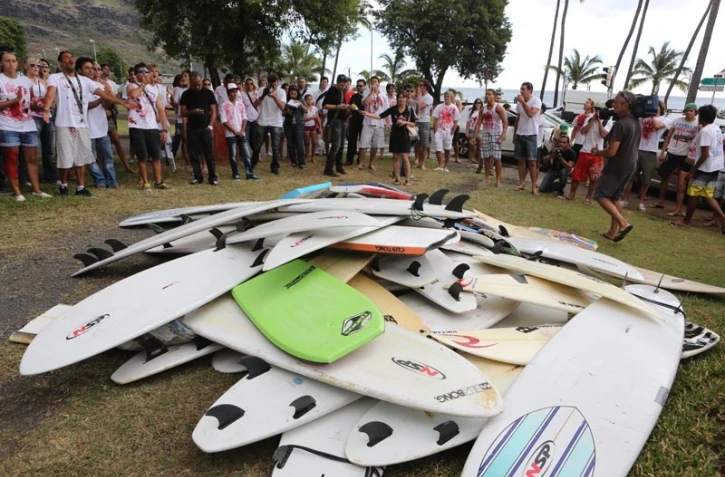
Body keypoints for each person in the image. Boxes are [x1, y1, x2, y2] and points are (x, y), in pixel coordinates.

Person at [43, 51, 132, 197]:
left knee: (81, 157)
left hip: (82, 124)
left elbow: (104, 95)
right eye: (66, 58)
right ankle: (64, 186)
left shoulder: (85, 81)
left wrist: (122, 101)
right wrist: (46, 108)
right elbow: (50, 93)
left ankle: (80, 187)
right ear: (60, 63)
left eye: (72, 57)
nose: (70, 59)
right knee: (65, 157)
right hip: (64, 123)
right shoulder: (56, 77)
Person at [590, 91, 641, 242]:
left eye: (616, 103)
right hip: (630, 164)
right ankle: (612, 232)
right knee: (615, 197)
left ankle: (623, 224)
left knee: (600, 195)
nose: (613, 105)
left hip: (617, 165)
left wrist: (597, 152)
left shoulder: (621, 124)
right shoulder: (636, 122)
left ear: (626, 105)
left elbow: (612, 151)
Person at [0, 52, 52, 200]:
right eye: (7, 61)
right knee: (12, 158)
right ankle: (17, 192)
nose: (11, 64)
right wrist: (14, 100)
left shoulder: (25, 81)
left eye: (14, 61)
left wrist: (38, 105)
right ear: (1, 63)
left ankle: (37, 189)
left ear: (17, 63)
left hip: (28, 124)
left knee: (32, 159)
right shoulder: (0, 80)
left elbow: (30, 102)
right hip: (8, 125)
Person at [671, 105, 725, 230]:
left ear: (702, 117)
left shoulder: (705, 131)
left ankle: (686, 221)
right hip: (715, 166)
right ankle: (723, 217)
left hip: (705, 168)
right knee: (707, 195)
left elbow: (705, 154)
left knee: (693, 194)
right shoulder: (716, 128)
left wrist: (692, 171)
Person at [126, 62, 171, 190]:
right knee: (142, 157)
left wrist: (163, 129)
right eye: (140, 71)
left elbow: (161, 110)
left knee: (156, 156)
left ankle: (158, 181)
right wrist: (143, 84)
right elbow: (133, 95)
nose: (144, 74)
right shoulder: (131, 86)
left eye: (146, 71)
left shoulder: (155, 89)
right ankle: (145, 183)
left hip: (152, 126)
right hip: (137, 126)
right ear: (135, 74)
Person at [651, 103, 700, 216]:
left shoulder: (698, 124)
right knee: (664, 178)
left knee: (681, 185)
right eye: (687, 110)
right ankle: (661, 201)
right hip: (672, 153)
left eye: (691, 110)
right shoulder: (677, 120)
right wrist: (663, 152)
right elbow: (668, 137)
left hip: (685, 157)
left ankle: (678, 208)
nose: (688, 112)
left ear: (695, 112)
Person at [362, 90, 417, 185]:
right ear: (397, 99)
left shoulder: (409, 109)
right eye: (399, 97)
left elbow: (413, 123)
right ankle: (397, 178)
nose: (401, 99)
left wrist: (405, 122)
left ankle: (407, 179)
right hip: (395, 135)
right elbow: (380, 116)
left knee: (405, 157)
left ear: (406, 99)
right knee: (395, 157)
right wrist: (368, 114)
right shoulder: (393, 109)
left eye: (403, 98)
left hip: (405, 136)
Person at [623, 101, 668, 211]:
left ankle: (641, 202)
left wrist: (651, 115)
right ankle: (625, 199)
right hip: (637, 149)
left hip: (650, 152)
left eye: (655, 108)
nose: (653, 110)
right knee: (630, 176)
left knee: (646, 179)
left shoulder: (665, 119)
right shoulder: (642, 117)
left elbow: (657, 126)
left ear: (661, 109)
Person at [80, 59, 118, 189]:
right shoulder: (81, 86)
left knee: (108, 157)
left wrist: (108, 96)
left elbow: (107, 105)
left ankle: (112, 180)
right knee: (91, 158)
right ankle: (99, 180)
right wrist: (103, 98)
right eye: (90, 68)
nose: (94, 71)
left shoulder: (101, 86)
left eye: (96, 69)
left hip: (102, 127)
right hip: (87, 128)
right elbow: (86, 106)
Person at [567, 102, 610, 204]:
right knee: (576, 174)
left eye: (599, 110)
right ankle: (572, 194)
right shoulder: (588, 119)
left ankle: (588, 197)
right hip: (585, 150)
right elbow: (582, 131)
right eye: (596, 109)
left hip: (597, 153)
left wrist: (599, 122)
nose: (597, 112)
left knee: (594, 177)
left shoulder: (607, 122)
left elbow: (603, 134)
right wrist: (592, 121)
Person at [180, 71, 218, 184]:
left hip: (205, 127)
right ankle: (197, 176)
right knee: (194, 154)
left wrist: (211, 125)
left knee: (209, 154)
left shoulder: (209, 93)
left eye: (199, 84)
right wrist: (192, 112)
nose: (197, 86)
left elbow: (213, 111)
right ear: (190, 82)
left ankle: (213, 177)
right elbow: (182, 113)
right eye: (194, 84)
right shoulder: (186, 94)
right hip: (192, 128)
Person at [219, 82, 260, 181]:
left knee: (246, 154)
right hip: (230, 134)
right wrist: (235, 131)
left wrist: (241, 130)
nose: (235, 93)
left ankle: (249, 173)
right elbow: (224, 121)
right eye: (232, 92)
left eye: (236, 91)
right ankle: (235, 173)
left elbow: (245, 118)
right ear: (228, 93)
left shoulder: (240, 105)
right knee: (233, 155)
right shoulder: (224, 105)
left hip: (241, 133)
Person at [26, 56, 57, 184]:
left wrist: (51, 104)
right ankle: (27, 177)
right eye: (33, 65)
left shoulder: (43, 82)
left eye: (38, 65)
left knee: (48, 148)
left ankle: (50, 176)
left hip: (46, 116)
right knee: (30, 148)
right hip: (32, 116)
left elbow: (50, 98)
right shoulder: (24, 81)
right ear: (26, 66)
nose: (37, 68)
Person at [99, 63, 133, 174]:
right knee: (99, 143)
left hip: (109, 114)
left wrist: (115, 107)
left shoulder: (110, 84)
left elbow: (113, 98)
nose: (106, 70)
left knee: (116, 140)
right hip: (97, 115)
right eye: (102, 69)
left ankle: (126, 165)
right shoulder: (91, 83)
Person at [474, 89, 508, 187]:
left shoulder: (498, 108)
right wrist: (474, 136)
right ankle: (486, 177)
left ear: (493, 96)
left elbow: (505, 120)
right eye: (486, 94)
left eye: (489, 94)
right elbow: (478, 123)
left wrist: (504, 133)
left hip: (496, 134)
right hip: (486, 133)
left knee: (497, 158)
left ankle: (498, 180)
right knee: (487, 157)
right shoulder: (483, 109)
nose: (487, 96)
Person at [513, 82, 542, 195]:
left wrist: (523, 102)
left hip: (531, 135)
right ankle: (521, 183)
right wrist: (515, 134)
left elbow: (531, 113)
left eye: (523, 89)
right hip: (521, 134)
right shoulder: (519, 104)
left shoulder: (536, 100)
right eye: (521, 89)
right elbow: (518, 118)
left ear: (529, 90)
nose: (521, 91)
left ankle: (533, 186)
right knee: (521, 160)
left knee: (532, 162)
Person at [254, 74, 286, 175]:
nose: (273, 86)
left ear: (277, 82)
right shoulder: (261, 90)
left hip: (276, 122)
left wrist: (275, 97)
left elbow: (282, 108)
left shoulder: (281, 91)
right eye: (271, 83)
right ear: (267, 82)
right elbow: (255, 105)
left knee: (275, 147)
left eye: (275, 83)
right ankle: (253, 163)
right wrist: (263, 95)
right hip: (263, 121)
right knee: (257, 145)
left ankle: (275, 167)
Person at [322, 74, 350, 177]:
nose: (343, 87)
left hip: (342, 120)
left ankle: (339, 166)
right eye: (342, 85)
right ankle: (328, 168)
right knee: (336, 145)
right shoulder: (332, 90)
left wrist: (346, 107)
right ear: (337, 83)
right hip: (335, 120)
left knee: (342, 145)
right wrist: (337, 106)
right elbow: (324, 105)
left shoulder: (342, 92)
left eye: (345, 85)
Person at [358, 76, 388, 171]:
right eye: (372, 82)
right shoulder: (366, 93)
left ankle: (371, 163)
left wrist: (388, 123)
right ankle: (361, 163)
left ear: (379, 83)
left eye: (375, 81)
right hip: (367, 122)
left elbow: (386, 110)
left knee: (375, 145)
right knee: (363, 144)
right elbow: (365, 103)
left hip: (379, 123)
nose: (374, 83)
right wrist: (372, 92)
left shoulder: (383, 95)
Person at [431, 91, 460, 172]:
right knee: (438, 148)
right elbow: (435, 119)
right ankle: (440, 165)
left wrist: (452, 131)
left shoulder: (454, 108)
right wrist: (435, 130)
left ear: (451, 98)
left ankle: (446, 166)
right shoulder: (439, 107)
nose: (446, 98)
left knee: (447, 149)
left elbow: (456, 120)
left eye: (448, 96)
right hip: (439, 130)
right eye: (445, 96)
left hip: (449, 131)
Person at [283, 85, 308, 168]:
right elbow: (282, 112)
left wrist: (300, 104)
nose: (293, 95)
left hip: (299, 123)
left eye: (295, 94)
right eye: (291, 93)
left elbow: (306, 111)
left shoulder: (300, 100)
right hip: (288, 123)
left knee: (299, 142)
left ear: (298, 94)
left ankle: (302, 162)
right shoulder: (286, 100)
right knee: (290, 143)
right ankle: (293, 161)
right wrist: (287, 112)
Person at [241, 78, 261, 169]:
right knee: (245, 140)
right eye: (248, 84)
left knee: (255, 142)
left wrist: (259, 117)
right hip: (246, 119)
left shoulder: (258, 93)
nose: (249, 85)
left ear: (254, 84)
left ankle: (255, 159)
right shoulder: (242, 94)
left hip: (255, 119)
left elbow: (261, 107)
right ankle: (248, 161)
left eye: (251, 84)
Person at [170, 73, 189, 166]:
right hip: (181, 118)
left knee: (187, 138)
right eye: (182, 79)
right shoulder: (177, 90)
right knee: (179, 137)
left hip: (190, 118)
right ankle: (172, 155)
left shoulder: (189, 89)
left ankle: (186, 156)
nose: (184, 80)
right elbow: (176, 103)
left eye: (186, 77)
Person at [345, 78, 366, 166]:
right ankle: (349, 159)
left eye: (361, 86)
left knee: (363, 141)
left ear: (364, 86)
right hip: (354, 121)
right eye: (357, 86)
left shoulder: (367, 97)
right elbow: (350, 108)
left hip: (364, 121)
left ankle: (360, 160)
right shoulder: (354, 96)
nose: (359, 87)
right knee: (352, 141)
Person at [414, 81, 433, 169]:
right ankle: (418, 160)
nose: (419, 87)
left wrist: (417, 96)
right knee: (417, 143)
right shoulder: (419, 96)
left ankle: (423, 163)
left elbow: (419, 107)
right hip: (417, 121)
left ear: (425, 87)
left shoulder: (429, 97)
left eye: (421, 85)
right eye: (419, 85)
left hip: (424, 121)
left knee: (424, 144)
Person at [303, 93, 320, 164]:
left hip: (313, 126)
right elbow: (304, 119)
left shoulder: (315, 108)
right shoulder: (304, 108)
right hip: (306, 126)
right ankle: (307, 156)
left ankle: (312, 157)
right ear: (305, 100)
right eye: (307, 99)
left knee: (314, 142)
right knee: (307, 142)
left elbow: (317, 117)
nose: (309, 101)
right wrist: (312, 117)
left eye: (310, 99)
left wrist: (320, 126)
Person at [466, 98, 483, 168]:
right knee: (471, 147)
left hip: (480, 130)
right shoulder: (471, 112)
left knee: (479, 147)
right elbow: (468, 122)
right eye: (476, 102)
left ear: (481, 104)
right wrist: (467, 131)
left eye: (479, 103)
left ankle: (480, 163)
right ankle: (469, 161)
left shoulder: (482, 112)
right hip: (471, 130)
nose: (477, 104)